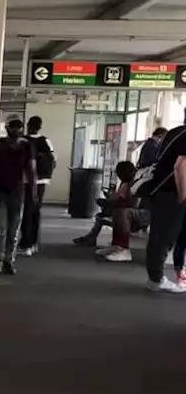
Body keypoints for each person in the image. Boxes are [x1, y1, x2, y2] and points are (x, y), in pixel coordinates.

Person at [141, 124, 186, 292]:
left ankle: (157, 276)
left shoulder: (175, 132)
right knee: (164, 236)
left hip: (163, 191)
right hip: (172, 193)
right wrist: (182, 195)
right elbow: (181, 166)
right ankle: (156, 278)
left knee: (161, 235)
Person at [72, 161, 146, 262]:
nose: (119, 177)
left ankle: (123, 248)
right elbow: (120, 197)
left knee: (120, 213)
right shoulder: (125, 183)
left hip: (138, 213)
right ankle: (115, 245)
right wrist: (109, 200)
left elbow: (133, 203)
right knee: (107, 214)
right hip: (125, 209)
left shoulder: (135, 183)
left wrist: (111, 202)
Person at [0, 119, 36, 275]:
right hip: (0, 191)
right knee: (1, 229)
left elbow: (31, 169)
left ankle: (9, 259)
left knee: (13, 231)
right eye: (13, 127)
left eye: (19, 127)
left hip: (18, 192)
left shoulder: (26, 146)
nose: (16, 130)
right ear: (7, 128)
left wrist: (33, 190)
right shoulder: (0, 144)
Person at [18, 115, 54, 257]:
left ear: (28, 125)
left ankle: (26, 243)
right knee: (35, 211)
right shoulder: (45, 141)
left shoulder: (23, 141)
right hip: (42, 181)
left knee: (26, 211)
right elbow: (53, 159)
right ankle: (33, 243)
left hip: (26, 180)